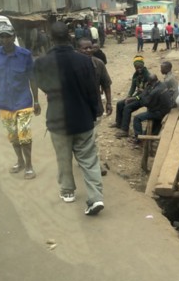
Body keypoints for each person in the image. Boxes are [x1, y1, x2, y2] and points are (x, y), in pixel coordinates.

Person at [33, 22, 104, 216]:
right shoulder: (84, 61)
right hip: (82, 118)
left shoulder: (41, 62)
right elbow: (92, 91)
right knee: (89, 160)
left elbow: (44, 87)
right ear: (70, 36)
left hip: (58, 120)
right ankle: (96, 197)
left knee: (63, 158)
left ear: (50, 37)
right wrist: (95, 111)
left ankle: (68, 191)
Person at [0, 24, 41, 179]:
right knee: (13, 136)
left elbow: (32, 78)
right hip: (4, 102)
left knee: (24, 135)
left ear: (14, 36)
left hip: (23, 102)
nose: (5, 39)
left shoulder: (25, 55)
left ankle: (29, 166)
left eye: (8, 36)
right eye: (2, 36)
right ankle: (19, 161)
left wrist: (36, 101)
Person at [76, 38, 113, 175]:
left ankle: (95, 164)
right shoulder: (72, 66)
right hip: (77, 109)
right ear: (77, 50)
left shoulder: (98, 64)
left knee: (94, 137)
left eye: (90, 48)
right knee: (81, 137)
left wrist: (109, 102)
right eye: (84, 48)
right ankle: (84, 160)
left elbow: (106, 84)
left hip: (95, 108)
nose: (88, 50)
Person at [111, 56, 150, 136]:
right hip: (138, 95)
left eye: (140, 67)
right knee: (120, 104)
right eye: (136, 67)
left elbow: (146, 93)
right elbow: (133, 87)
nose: (138, 69)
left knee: (127, 107)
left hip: (144, 98)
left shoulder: (148, 76)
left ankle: (125, 130)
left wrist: (134, 98)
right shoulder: (135, 75)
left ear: (143, 66)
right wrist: (129, 96)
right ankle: (119, 123)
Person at [131, 74, 172, 146]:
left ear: (150, 82)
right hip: (164, 109)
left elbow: (145, 102)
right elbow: (140, 96)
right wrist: (135, 98)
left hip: (160, 112)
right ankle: (148, 134)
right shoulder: (162, 85)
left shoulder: (155, 91)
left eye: (148, 82)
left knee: (137, 118)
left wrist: (143, 93)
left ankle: (139, 138)